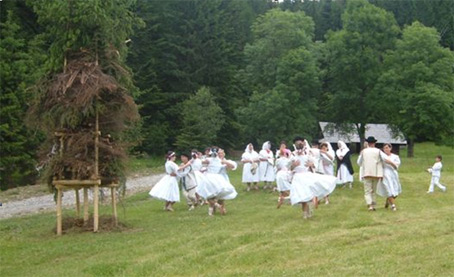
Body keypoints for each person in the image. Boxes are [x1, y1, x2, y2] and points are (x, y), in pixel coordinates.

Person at [196, 147, 237, 216]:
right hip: (218, 178)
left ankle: (217, 206)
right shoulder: (219, 161)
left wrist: (197, 159)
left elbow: (201, 162)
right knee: (213, 195)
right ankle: (211, 212)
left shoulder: (210, 159)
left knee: (209, 195)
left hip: (210, 178)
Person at [357, 136, 383, 211]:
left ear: (368, 143)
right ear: (374, 143)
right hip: (376, 173)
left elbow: (359, 162)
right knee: (374, 190)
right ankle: (373, 204)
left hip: (367, 173)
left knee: (367, 190)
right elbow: (382, 160)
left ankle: (370, 205)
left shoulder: (363, 151)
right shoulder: (378, 151)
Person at [376, 143, 401, 211]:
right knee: (388, 189)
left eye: (387, 148)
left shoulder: (395, 157)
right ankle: (393, 206)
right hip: (385, 174)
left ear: (390, 148)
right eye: (384, 148)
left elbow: (396, 167)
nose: (386, 149)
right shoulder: (381, 157)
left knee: (395, 191)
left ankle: (388, 200)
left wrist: (390, 162)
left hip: (393, 174)